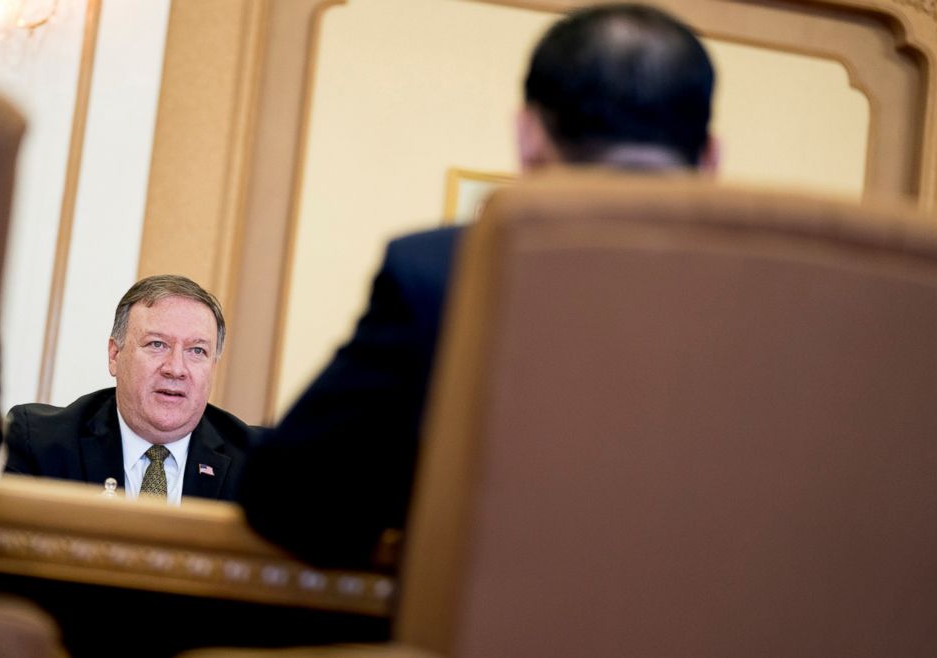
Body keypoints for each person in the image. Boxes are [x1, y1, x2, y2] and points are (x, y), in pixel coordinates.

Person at [239, 3, 719, 567]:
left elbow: (291, 501)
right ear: (710, 157)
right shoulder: (812, 317)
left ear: (528, 136)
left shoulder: (441, 274)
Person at [4, 274, 253, 502]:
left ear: (213, 368)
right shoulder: (39, 444)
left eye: (197, 351)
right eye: (157, 344)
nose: (176, 369)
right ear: (115, 355)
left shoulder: (259, 467)